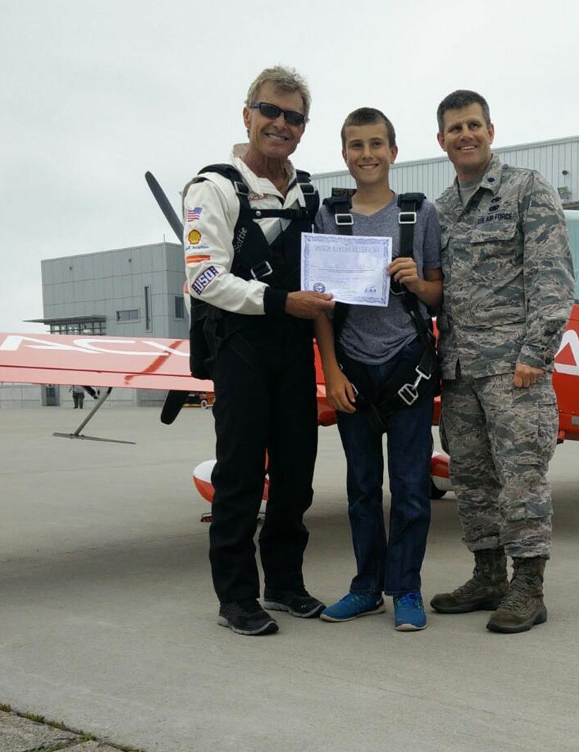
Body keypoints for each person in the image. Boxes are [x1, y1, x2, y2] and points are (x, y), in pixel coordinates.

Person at [182, 66, 334, 636]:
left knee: (297, 476)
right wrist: (279, 302)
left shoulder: (310, 194)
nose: (280, 124)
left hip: (295, 350)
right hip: (241, 347)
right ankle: (237, 597)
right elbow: (201, 280)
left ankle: (286, 584)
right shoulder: (214, 187)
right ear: (247, 113)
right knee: (241, 476)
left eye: (294, 117)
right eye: (270, 111)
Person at [429, 90, 574, 633]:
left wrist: (536, 354)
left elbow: (552, 277)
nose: (464, 135)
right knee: (471, 479)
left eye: (473, 125)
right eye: (454, 128)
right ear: (440, 140)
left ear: (491, 130)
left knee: (522, 478)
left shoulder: (526, 189)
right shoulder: (439, 210)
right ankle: (488, 576)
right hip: (459, 370)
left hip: (515, 370)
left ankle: (528, 587)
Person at [313, 108, 443, 632]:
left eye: (376, 144)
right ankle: (366, 587)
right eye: (355, 145)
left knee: (410, 486)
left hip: (408, 365)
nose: (366, 154)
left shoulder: (419, 214)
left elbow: (437, 296)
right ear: (344, 155)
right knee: (362, 487)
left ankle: (406, 588)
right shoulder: (331, 218)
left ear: (393, 150)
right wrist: (331, 372)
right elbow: (320, 305)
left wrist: (417, 282)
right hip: (352, 369)